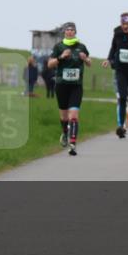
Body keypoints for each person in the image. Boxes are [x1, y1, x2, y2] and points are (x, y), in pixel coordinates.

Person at [48, 22, 90, 156]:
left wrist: (85, 59)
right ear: (64, 32)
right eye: (68, 29)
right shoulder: (59, 46)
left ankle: (73, 144)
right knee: (64, 117)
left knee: (73, 115)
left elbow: (89, 63)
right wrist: (61, 57)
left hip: (76, 86)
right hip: (61, 86)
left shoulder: (81, 46)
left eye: (72, 30)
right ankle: (65, 133)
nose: (70, 32)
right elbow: (50, 64)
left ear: (75, 32)